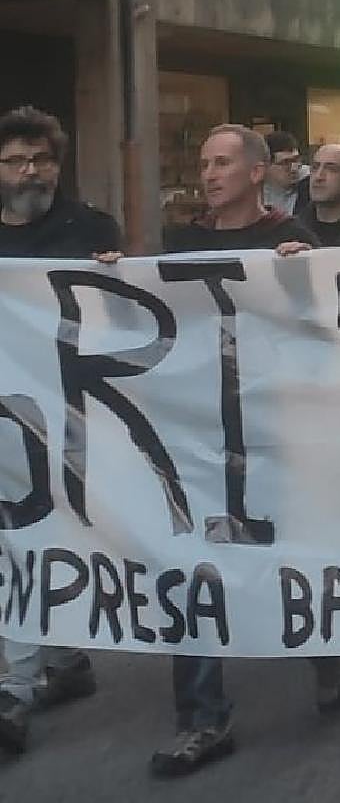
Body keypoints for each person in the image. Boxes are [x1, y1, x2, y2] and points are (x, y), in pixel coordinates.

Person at [148, 124, 340, 778]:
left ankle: (325, 653)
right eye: (203, 163)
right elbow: (151, 313)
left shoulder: (287, 243)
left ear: (259, 173)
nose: (208, 174)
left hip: (272, 431)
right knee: (192, 562)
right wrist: (105, 278)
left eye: (222, 162)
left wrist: (304, 277)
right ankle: (203, 719)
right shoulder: (182, 243)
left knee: (279, 555)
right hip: (196, 430)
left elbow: (323, 329)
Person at [0, 106, 119, 754]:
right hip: (4, 420)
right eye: (16, 159)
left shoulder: (89, 228)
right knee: (14, 540)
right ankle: (18, 688)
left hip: (75, 416)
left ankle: (66, 662)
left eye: (42, 158)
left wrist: (116, 272)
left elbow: (126, 311)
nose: (30, 171)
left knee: (61, 534)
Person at [262, 131, 310, 216]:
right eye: (286, 162)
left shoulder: (311, 180)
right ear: (266, 167)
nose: (294, 168)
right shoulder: (253, 194)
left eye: (296, 160)